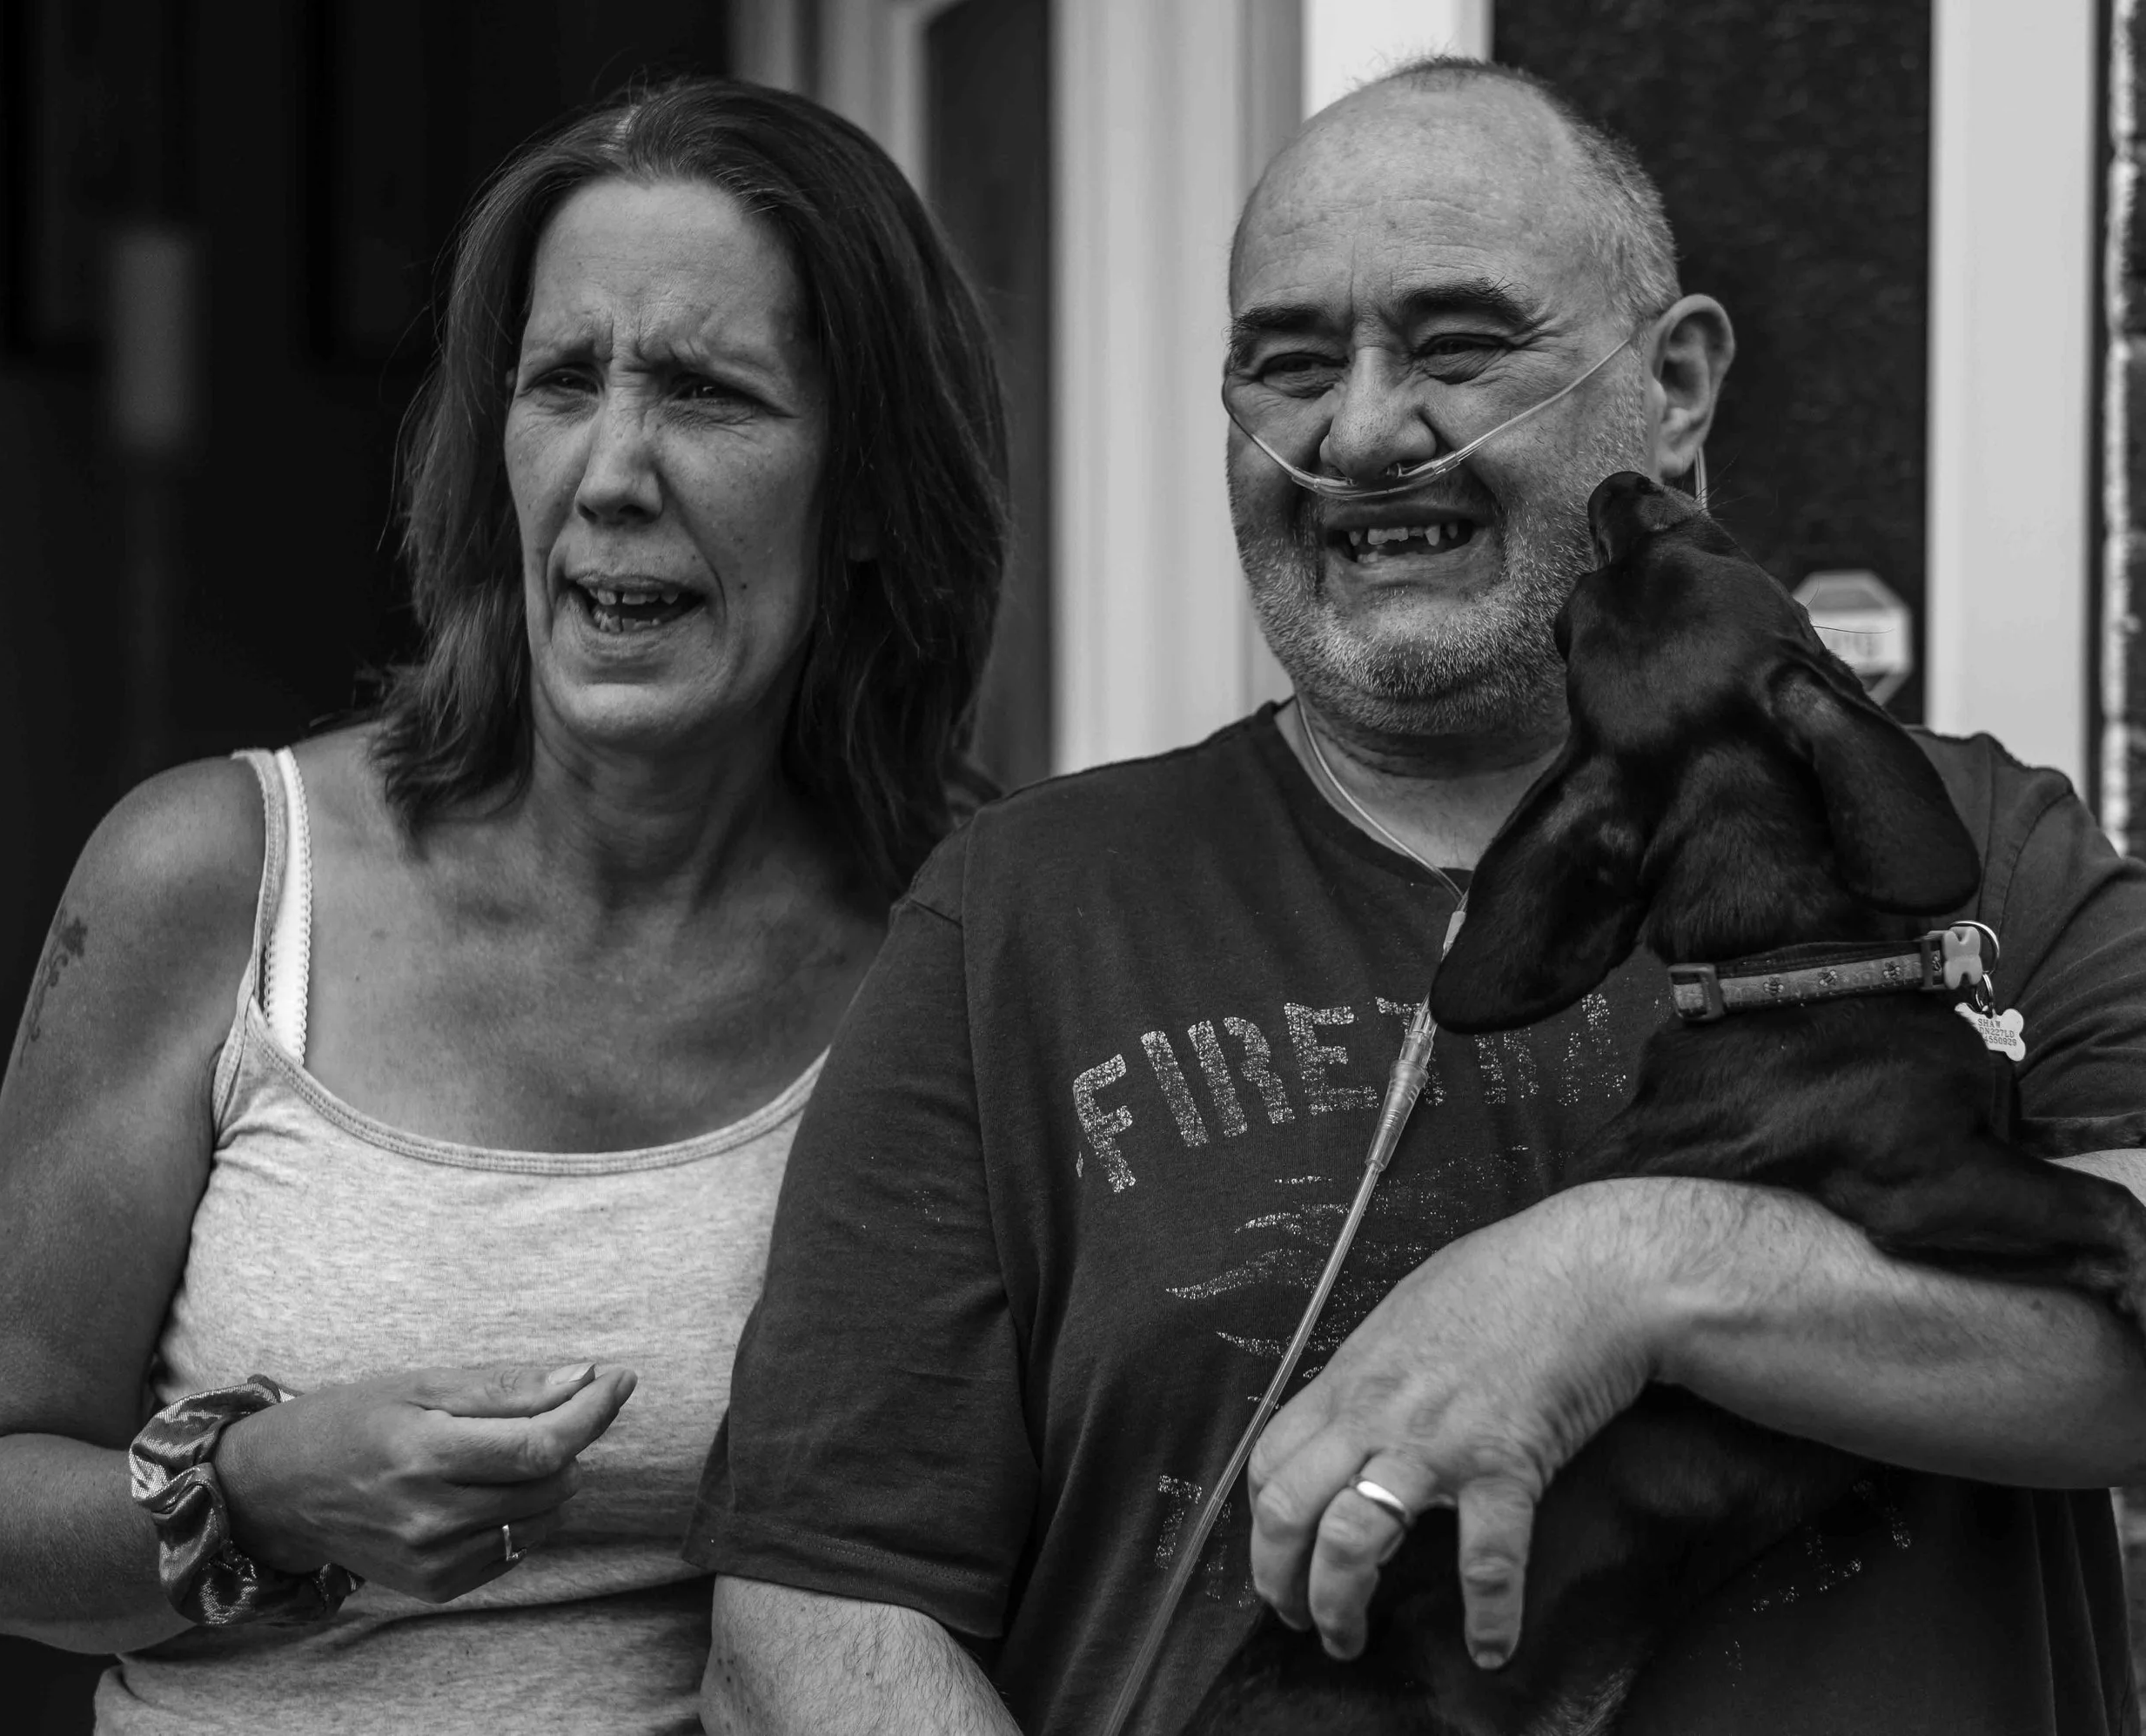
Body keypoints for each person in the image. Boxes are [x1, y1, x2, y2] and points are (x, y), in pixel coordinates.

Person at [690, 58, 2146, 1736]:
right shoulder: (1018, 916)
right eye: (1289, 365)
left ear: (1672, 387)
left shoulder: (1977, 848)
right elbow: (809, 1619)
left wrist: (1633, 1273)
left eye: (1458, 348)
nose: (1364, 433)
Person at [0, 77, 1004, 1733]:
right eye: (561, 382)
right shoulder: (218, 879)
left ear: (871, 492)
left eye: (708, 393)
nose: (610, 469)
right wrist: (250, 1493)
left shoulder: (957, 937)